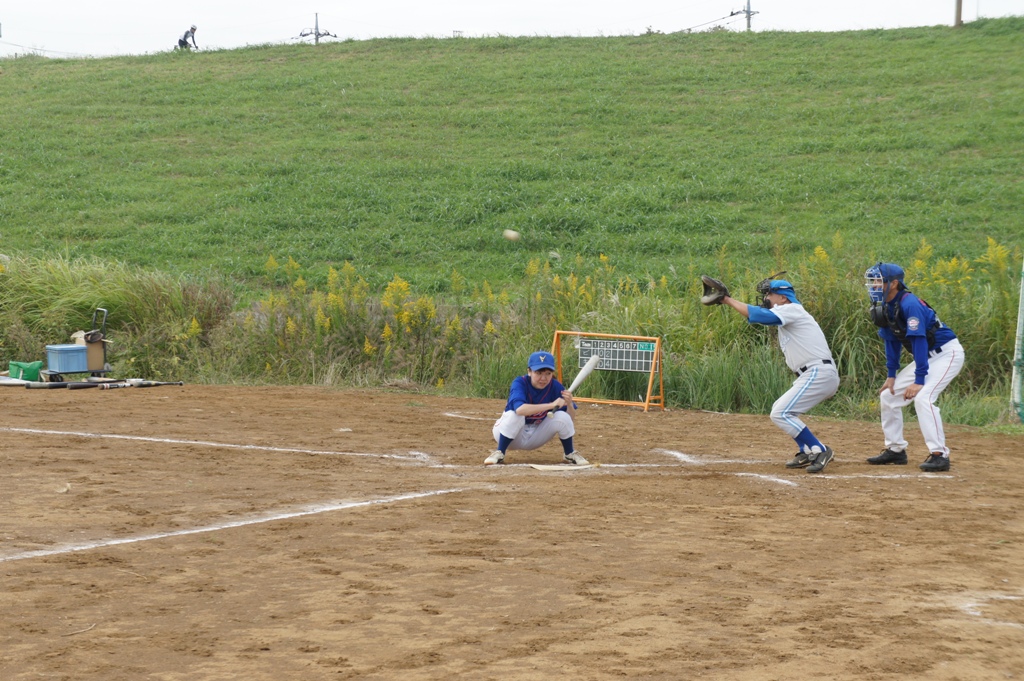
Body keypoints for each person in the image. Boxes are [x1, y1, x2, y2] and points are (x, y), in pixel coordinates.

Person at [712, 274, 840, 473]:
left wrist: (727, 300)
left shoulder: (792, 309)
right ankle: (806, 450)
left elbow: (761, 316)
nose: (766, 299)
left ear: (783, 298)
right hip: (813, 373)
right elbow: (760, 316)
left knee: (780, 412)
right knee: (783, 411)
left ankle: (819, 449)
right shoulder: (790, 312)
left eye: (770, 294)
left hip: (819, 372)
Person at [864, 263, 963, 472]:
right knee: (888, 396)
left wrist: (919, 380)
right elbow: (891, 341)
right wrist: (891, 375)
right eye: (872, 280)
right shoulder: (885, 305)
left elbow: (919, 341)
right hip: (926, 357)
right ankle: (896, 450)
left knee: (923, 398)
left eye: (878, 280)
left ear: (894, 284)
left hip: (947, 354)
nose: (873, 285)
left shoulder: (910, 304)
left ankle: (939, 455)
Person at [486, 350, 588, 465]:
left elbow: (569, 419)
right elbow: (520, 410)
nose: (543, 378)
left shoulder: (555, 386)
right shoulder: (520, 383)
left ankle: (569, 453)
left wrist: (569, 404)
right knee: (515, 415)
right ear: (529, 371)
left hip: (534, 436)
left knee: (562, 416)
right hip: (506, 435)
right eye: (538, 373)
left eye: (548, 373)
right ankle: (499, 451)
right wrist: (551, 405)